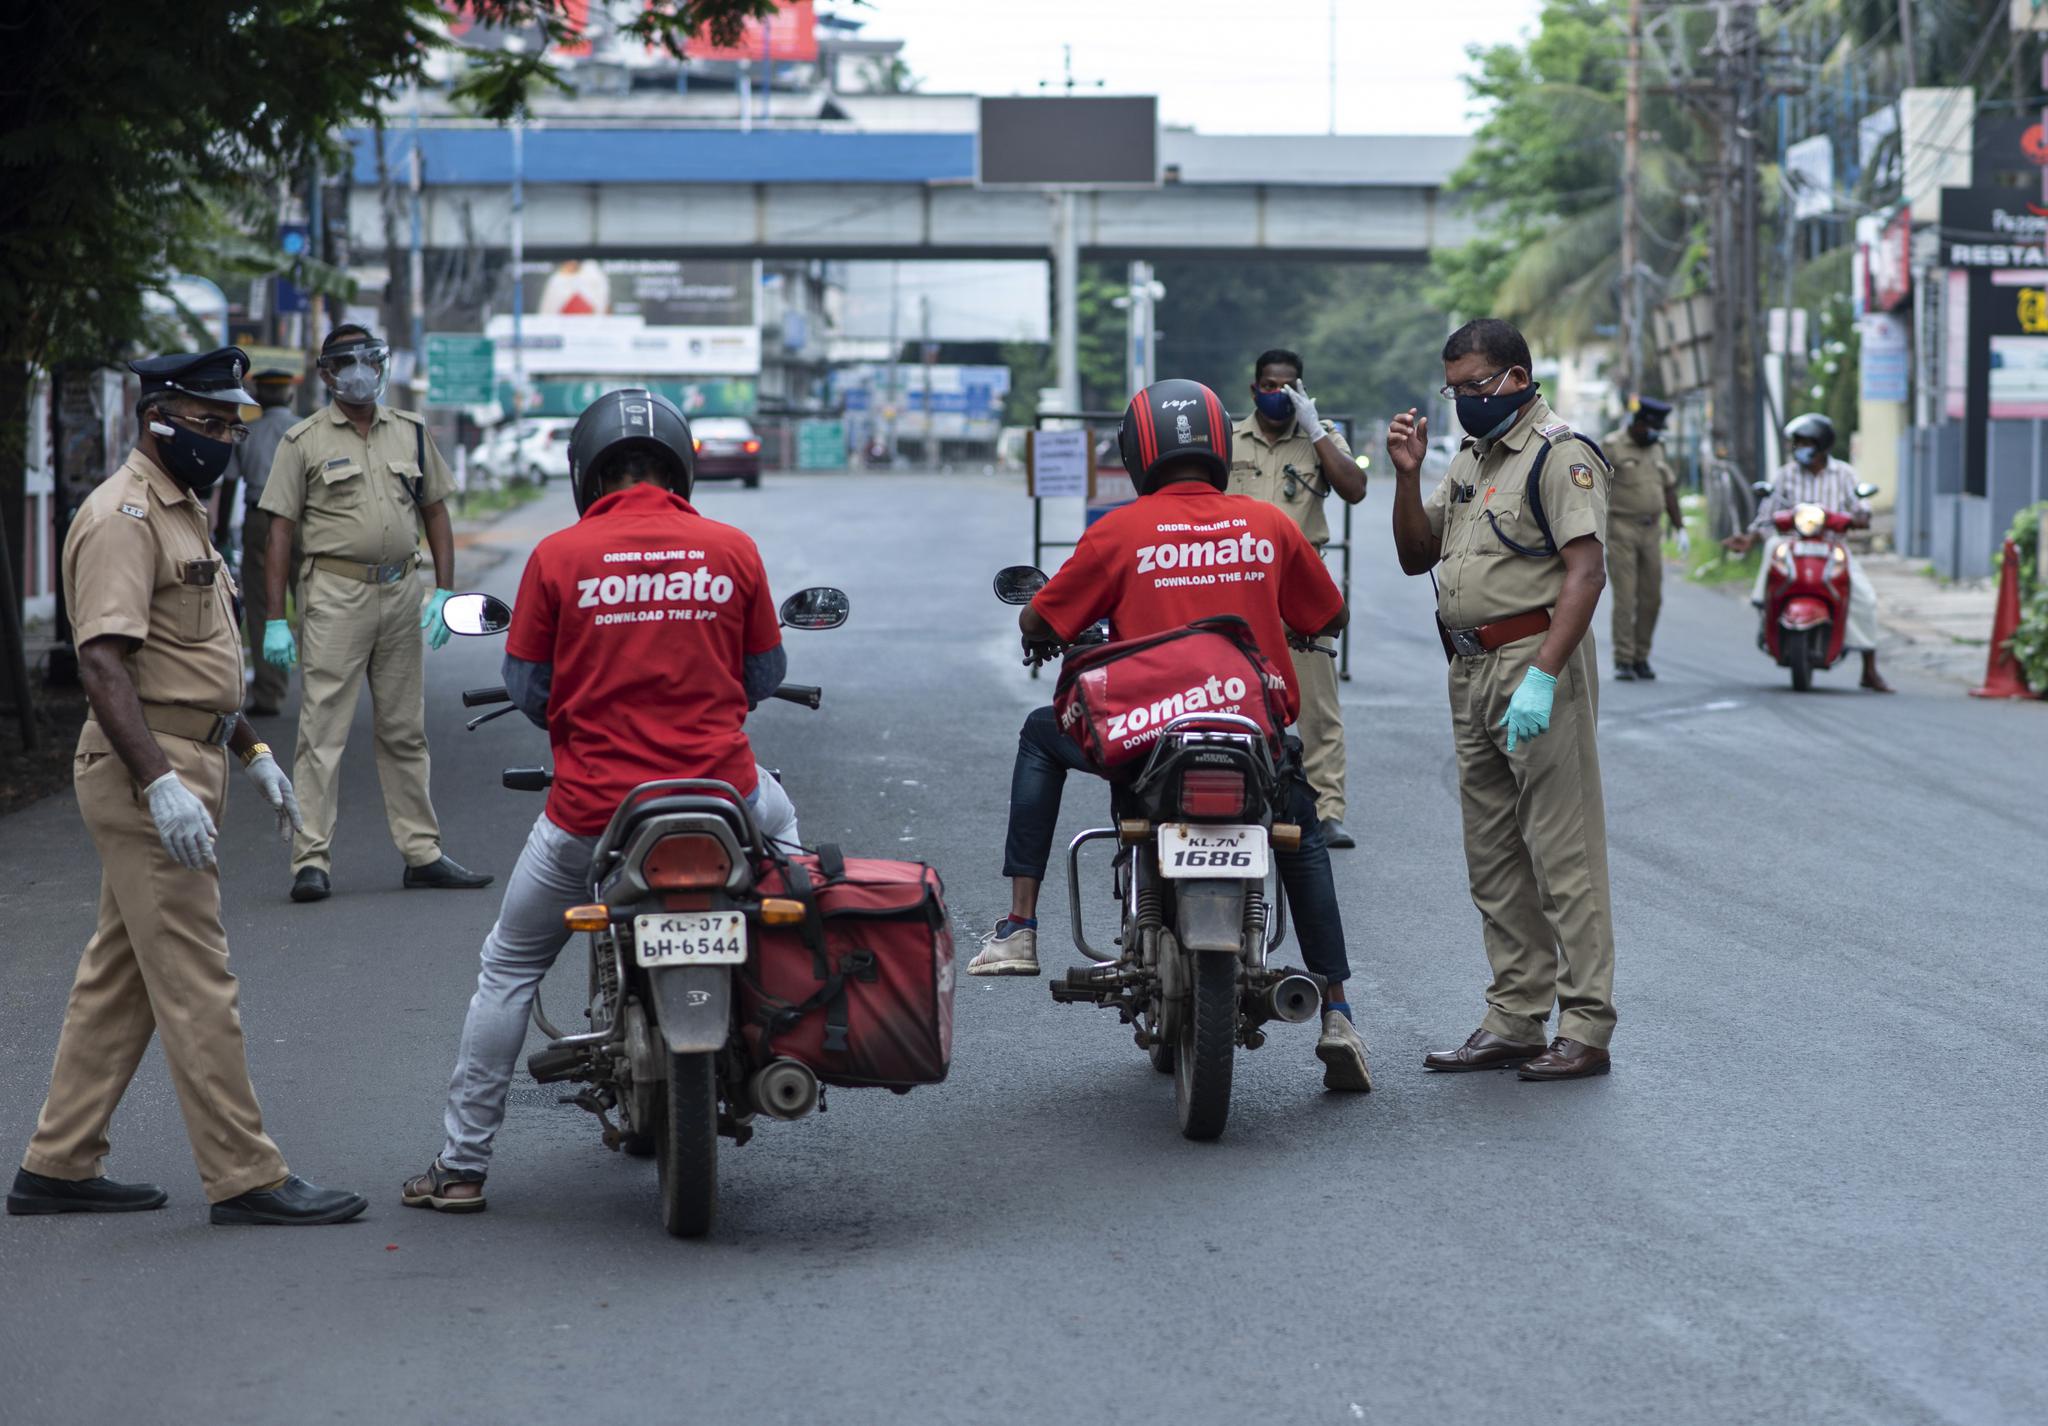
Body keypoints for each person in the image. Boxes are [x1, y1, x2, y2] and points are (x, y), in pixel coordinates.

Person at [402, 389, 799, 1212]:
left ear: (586, 473)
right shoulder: (732, 548)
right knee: (795, 866)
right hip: (727, 798)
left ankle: (462, 1166)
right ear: (681, 468)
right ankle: (799, 1012)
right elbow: (764, 678)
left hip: (594, 812)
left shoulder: (557, 556)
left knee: (508, 969)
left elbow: (530, 689)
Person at [6, 348, 366, 1226]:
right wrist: (161, 784)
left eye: (230, 426)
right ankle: (246, 1174)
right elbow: (103, 663)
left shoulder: (183, 511)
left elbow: (192, 660)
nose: (222, 441)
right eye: (207, 424)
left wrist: (252, 753)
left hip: (189, 754)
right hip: (146, 771)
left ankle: (59, 1162)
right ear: (157, 416)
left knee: (120, 977)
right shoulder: (125, 516)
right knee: (199, 979)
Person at [969, 378, 1372, 1095]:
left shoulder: (1116, 532)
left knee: (1039, 735)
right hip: (1251, 733)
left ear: (1137, 452)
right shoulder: (1268, 524)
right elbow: (1329, 614)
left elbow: (1042, 623)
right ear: (1218, 445)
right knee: (1302, 835)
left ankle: (1018, 925)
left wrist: (1038, 626)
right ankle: (1337, 1010)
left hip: (1145, 740)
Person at [1386, 318, 1618, 1081]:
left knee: (1562, 855)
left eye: (1476, 386)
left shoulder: (1560, 455)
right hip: (1470, 669)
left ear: (1516, 378)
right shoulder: (1468, 460)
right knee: (1492, 857)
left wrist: (1545, 676)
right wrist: (1405, 475)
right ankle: (1516, 1016)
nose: (1464, 402)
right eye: (1454, 390)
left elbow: (1586, 574)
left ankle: (1584, 1026)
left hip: (1531, 658)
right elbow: (1417, 555)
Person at [256, 324, 492, 901]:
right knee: (323, 732)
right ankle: (310, 860)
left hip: (402, 591)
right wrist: (276, 617)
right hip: (335, 594)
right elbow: (279, 533)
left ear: (382, 365)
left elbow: (435, 512)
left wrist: (445, 592)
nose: (360, 370)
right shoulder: (303, 441)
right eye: (347, 361)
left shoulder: (410, 433)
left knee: (404, 731)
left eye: (369, 358)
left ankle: (422, 852)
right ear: (327, 374)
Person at [1228, 348, 1368, 848]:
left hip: (1301, 585)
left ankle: (1327, 812)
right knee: (1234, 696)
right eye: (1269, 385)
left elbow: (1354, 487)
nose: (1277, 394)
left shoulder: (1320, 436)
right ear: (1254, 388)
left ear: (1302, 390)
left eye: (1288, 387)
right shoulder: (1226, 437)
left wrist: (1314, 429)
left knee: (1316, 708)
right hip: (1236, 582)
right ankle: (1245, 800)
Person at [1723, 412, 1893, 693]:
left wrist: (1858, 518)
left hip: (1831, 545)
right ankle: (1762, 601)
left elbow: (1861, 510)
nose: (1799, 448)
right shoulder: (1785, 474)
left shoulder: (1844, 474)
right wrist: (1750, 537)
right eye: (1797, 443)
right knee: (1771, 546)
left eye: (1805, 443)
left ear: (1822, 445)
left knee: (1864, 598)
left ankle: (1869, 669)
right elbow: (1767, 514)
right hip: (1791, 543)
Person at [232, 368, 301, 717]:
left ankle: (270, 694)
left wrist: (217, 531)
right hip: (306, 519)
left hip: (261, 518)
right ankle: (324, 689)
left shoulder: (246, 432)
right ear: (289, 395)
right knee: (314, 603)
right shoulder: (306, 428)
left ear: (258, 398)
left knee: (263, 609)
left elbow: (230, 483)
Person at [1602, 397, 1685, 682]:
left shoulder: (1656, 448)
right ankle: (1623, 659)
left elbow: (1669, 489)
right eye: (1650, 429)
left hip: (1652, 530)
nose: (1654, 435)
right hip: (1621, 528)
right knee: (1626, 597)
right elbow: (1594, 487)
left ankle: (1641, 656)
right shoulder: (1612, 446)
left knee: (1652, 598)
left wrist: (1681, 527)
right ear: (1638, 424)